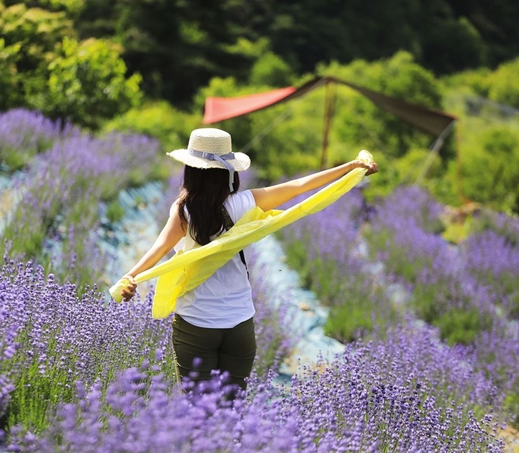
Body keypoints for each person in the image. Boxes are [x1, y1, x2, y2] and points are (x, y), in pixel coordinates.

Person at [118, 128, 378, 393]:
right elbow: (302, 186)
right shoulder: (248, 201)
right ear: (228, 171)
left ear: (191, 169)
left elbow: (160, 248)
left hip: (196, 323)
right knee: (231, 407)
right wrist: (351, 168)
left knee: (196, 411)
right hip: (239, 323)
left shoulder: (185, 210)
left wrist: (130, 278)